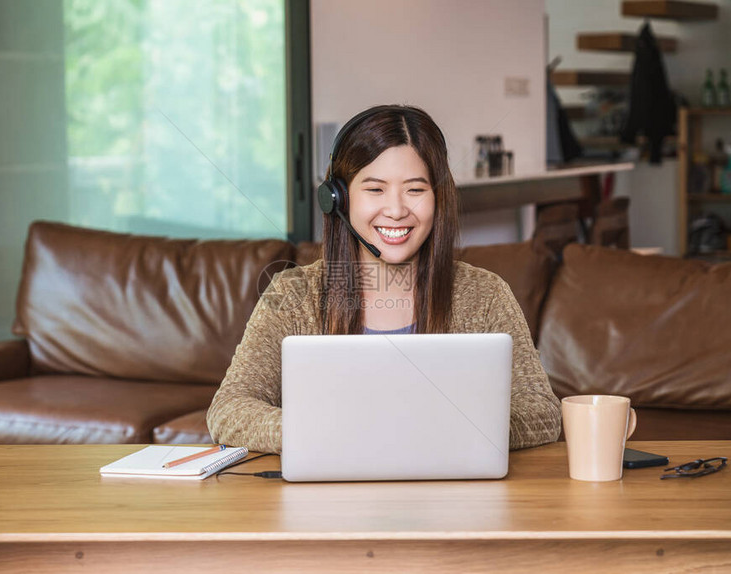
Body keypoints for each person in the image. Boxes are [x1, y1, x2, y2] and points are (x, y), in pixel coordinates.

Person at [206, 104, 561, 454]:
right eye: (375, 189)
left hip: (448, 500)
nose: (395, 210)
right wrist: (326, 432)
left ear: (439, 197)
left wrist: (444, 430)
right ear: (338, 199)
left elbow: (542, 414)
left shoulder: (485, 294)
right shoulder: (293, 295)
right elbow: (229, 410)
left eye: (415, 190)